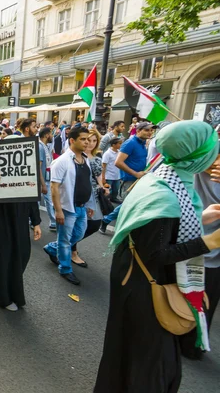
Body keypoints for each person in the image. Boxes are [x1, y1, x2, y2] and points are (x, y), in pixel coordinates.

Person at [94, 120, 220, 393]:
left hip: (137, 278)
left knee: (128, 348)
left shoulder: (163, 174)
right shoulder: (163, 195)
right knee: (147, 359)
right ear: (196, 157)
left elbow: (165, 228)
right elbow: (157, 252)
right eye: (213, 150)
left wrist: (202, 217)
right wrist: (209, 241)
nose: (215, 156)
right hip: (144, 286)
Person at [0, 135, 42, 310]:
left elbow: (32, 200)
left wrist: (37, 222)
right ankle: (3, 296)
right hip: (2, 222)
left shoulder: (29, 170)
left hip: (21, 222)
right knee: (3, 258)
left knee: (21, 256)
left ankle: (7, 288)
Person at [178, 153, 220, 360]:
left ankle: (194, 343)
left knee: (204, 304)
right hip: (181, 249)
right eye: (214, 155)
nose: (217, 162)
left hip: (212, 257)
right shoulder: (183, 172)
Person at [43, 127, 95, 286]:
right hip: (67, 208)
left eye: (88, 139)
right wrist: (58, 211)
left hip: (81, 207)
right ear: (72, 140)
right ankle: (65, 268)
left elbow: (88, 182)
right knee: (65, 241)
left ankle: (53, 248)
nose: (87, 142)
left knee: (79, 234)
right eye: (83, 139)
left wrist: (90, 203)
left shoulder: (85, 159)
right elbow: (54, 187)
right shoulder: (62, 161)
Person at [100, 122, 155, 233]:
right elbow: (118, 162)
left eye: (151, 130)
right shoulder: (130, 143)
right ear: (138, 130)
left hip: (140, 179)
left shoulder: (143, 143)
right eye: (147, 130)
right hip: (130, 180)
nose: (150, 132)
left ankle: (111, 222)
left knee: (133, 204)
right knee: (128, 205)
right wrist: (135, 173)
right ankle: (109, 221)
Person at [71, 130, 109, 267]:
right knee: (77, 224)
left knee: (94, 224)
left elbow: (99, 178)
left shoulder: (97, 157)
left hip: (95, 195)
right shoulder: (76, 156)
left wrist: (103, 186)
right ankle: (72, 251)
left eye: (94, 141)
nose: (90, 143)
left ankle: (65, 245)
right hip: (81, 195)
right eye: (88, 140)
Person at [39, 127, 56, 230]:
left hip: (47, 178)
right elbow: (39, 166)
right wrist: (43, 184)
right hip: (42, 179)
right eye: (51, 134)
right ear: (46, 135)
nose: (52, 136)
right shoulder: (40, 147)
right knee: (48, 201)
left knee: (49, 201)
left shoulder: (45, 146)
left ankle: (53, 222)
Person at [102, 137, 123, 203]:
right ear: (114, 145)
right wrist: (103, 177)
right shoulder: (107, 153)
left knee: (115, 189)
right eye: (119, 143)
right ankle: (106, 202)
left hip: (116, 175)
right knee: (108, 190)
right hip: (109, 176)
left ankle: (113, 199)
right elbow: (103, 166)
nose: (121, 145)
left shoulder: (119, 152)